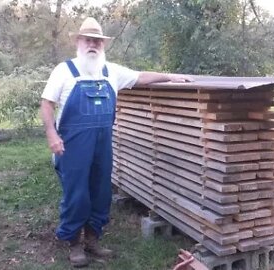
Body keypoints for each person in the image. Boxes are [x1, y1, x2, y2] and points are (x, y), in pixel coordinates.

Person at [40, 17, 192, 267]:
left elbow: (142, 77)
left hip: (102, 145)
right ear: (79, 42)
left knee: (101, 192)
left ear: (103, 45)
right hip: (72, 146)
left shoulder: (112, 72)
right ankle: (75, 243)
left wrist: (171, 76)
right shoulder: (65, 70)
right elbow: (47, 103)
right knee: (77, 194)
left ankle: (92, 240)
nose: (93, 45)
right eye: (88, 40)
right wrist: (51, 134)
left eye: (97, 41)